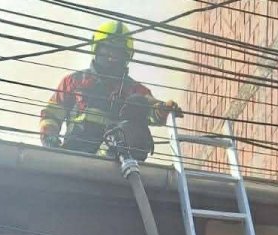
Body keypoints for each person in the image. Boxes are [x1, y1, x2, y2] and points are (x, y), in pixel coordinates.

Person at [39, 20, 182, 161]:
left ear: (126, 56)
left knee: (137, 104)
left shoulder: (133, 90)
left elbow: (150, 109)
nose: (111, 57)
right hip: (74, 156)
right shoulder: (74, 81)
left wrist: (163, 109)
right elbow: (51, 115)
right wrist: (52, 144)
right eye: (107, 49)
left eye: (118, 53)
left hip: (113, 161)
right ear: (96, 48)